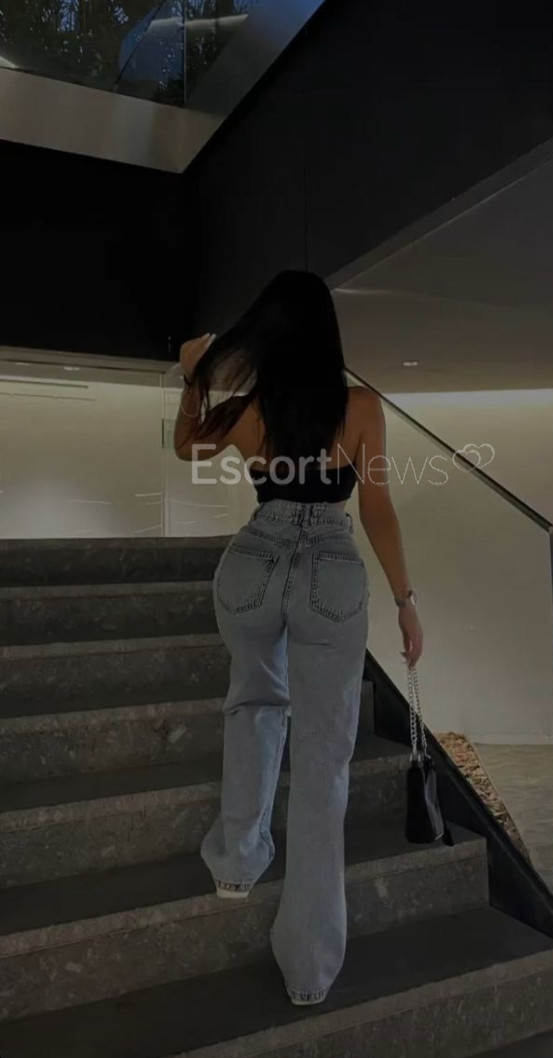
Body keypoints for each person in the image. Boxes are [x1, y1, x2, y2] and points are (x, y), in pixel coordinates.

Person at [174, 270, 423, 1007]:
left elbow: (187, 447)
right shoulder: (360, 408)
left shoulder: (247, 411)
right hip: (329, 573)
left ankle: (236, 861)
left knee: (252, 704)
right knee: (323, 759)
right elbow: (376, 508)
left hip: (252, 562)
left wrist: (193, 379)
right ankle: (308, 967)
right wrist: (406, 601)